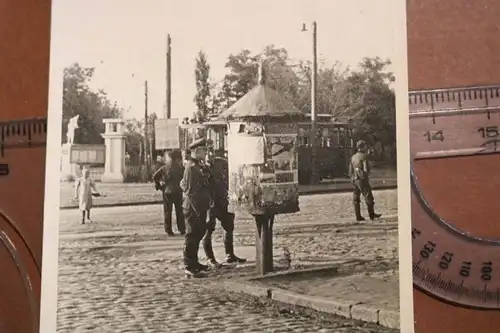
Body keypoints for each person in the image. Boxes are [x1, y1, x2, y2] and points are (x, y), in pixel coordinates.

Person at [202, 149, 247, 268]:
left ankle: (230, 254)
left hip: (223, 200)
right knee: (208, 230)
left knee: (229, 226)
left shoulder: (222, 163)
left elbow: (232, 175)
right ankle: (210, 258)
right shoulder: (198, 167)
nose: (210, 154)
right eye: (207, 151)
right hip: (208, 204)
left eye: (211, 151)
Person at [180, 138, 212, 278]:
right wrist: (198, 211)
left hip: (199, 206)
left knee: (198, 234)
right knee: (192, 235)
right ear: (197, 151)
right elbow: (191, 191)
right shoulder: (192, 168)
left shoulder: (197, 166)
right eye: (204, 150)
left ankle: (195, 262)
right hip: (193, 207)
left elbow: (183, 184)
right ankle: (189, 265)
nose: (206, 153)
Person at [153, 150, 186, 235]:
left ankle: (168, 230)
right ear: (175, 158)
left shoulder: (164, 168)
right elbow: (185, 178)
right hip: (178, 191)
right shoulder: (181, 168)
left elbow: (155, 176)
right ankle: (181, 229)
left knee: (167, 211)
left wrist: (158, 186)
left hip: (167, 191)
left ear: (169, 158)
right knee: (179, 211)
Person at [349, 140, 382, 222]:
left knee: (356, 198)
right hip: (362, 178)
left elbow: (350, 170)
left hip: (354, 179)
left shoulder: (353, 157)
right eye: (365, 146)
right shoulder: (364, 156)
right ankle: (371, 214)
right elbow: (366, 169)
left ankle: (358, 216)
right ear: (363, 147)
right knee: (368, 196)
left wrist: (352, 177)